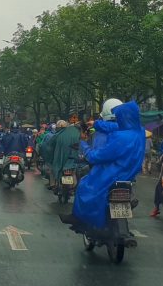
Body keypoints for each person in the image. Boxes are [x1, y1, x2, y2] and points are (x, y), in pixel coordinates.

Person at [61, 98, 144, 231]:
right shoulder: (139, 131)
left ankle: (81, 219)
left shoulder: (117, 137)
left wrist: (83, 144)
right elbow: (115, 126)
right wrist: (96, 124)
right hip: (129, 174)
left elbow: (96, 157)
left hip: (111, 173)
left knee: (84, 186)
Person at [47, 119, 81, 190]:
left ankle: (53, 184)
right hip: (73, 160)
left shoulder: (56, 136)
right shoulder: (75, 135)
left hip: (60, 160)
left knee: (52, 169)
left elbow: (50, 147)